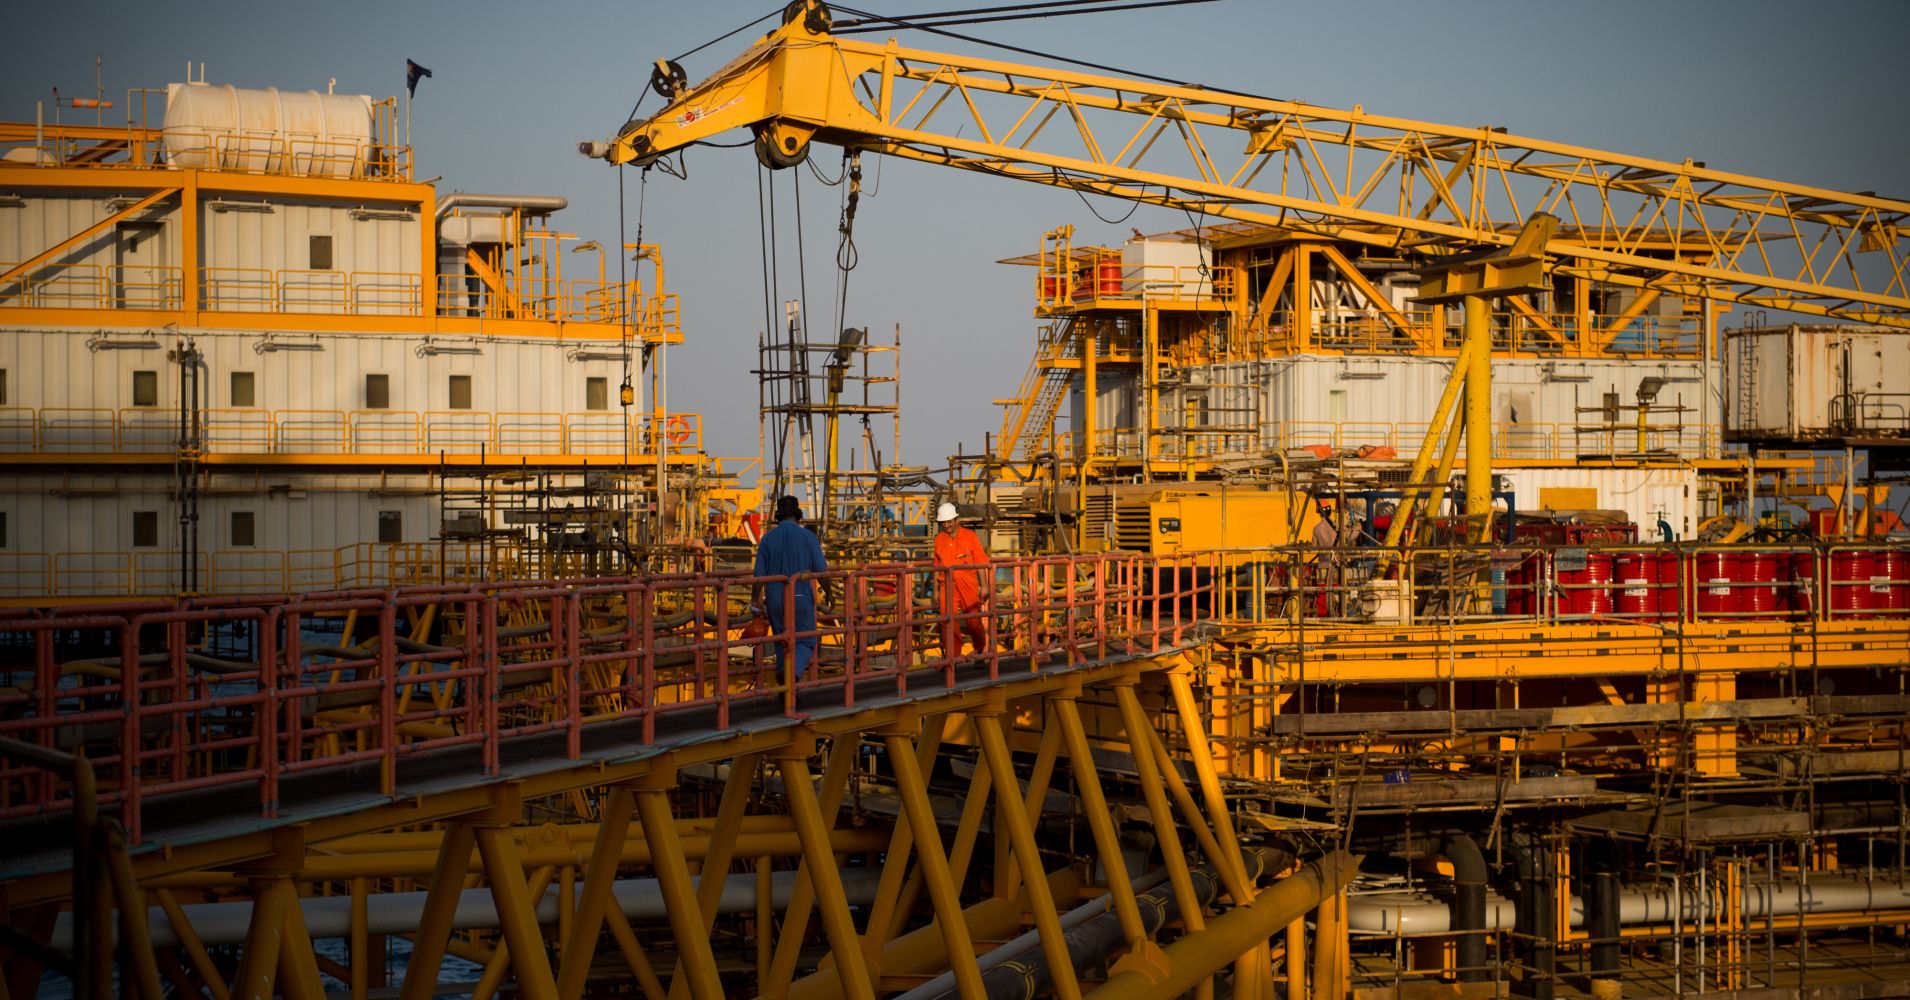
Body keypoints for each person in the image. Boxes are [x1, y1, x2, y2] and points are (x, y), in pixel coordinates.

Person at [752, 495, 828, 680]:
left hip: (775, 598)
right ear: (797, 515)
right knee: (807, 640)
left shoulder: (767, 539)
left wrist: (755, 600)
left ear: (778, 515)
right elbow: (821, 571)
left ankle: (785, 686)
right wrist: (830, 593)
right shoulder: (808, 537)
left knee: (781, 640)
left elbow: (759, 576)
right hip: (800, 595)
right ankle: (791, 674)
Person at [932, 501, 994, 657]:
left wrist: (984, 585)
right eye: (943, 522)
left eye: (949, 521)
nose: (946, 525)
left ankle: (980, 651)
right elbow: (936, 567)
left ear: (956, 520)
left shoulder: (970, 537)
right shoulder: (939, 540)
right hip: (947, 585)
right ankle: (953, 658)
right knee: (948, 622)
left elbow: (980, 561)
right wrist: (935, 591)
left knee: (973, 621)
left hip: (968, 585)